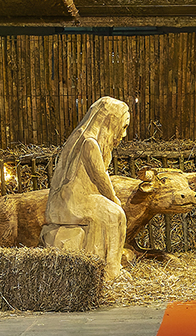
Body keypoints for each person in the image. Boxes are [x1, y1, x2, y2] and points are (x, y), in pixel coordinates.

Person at [42, 97, 131, 282]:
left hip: (74, 198)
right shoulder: (89, 142)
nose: (124, 134)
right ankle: (110, 271)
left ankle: (104, 267)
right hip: (71, 202)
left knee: (110, 213)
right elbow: (100, 176)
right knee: (115, 214)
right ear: (111, 121)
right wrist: (114, 198)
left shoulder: (82, 136)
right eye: (123, 127)